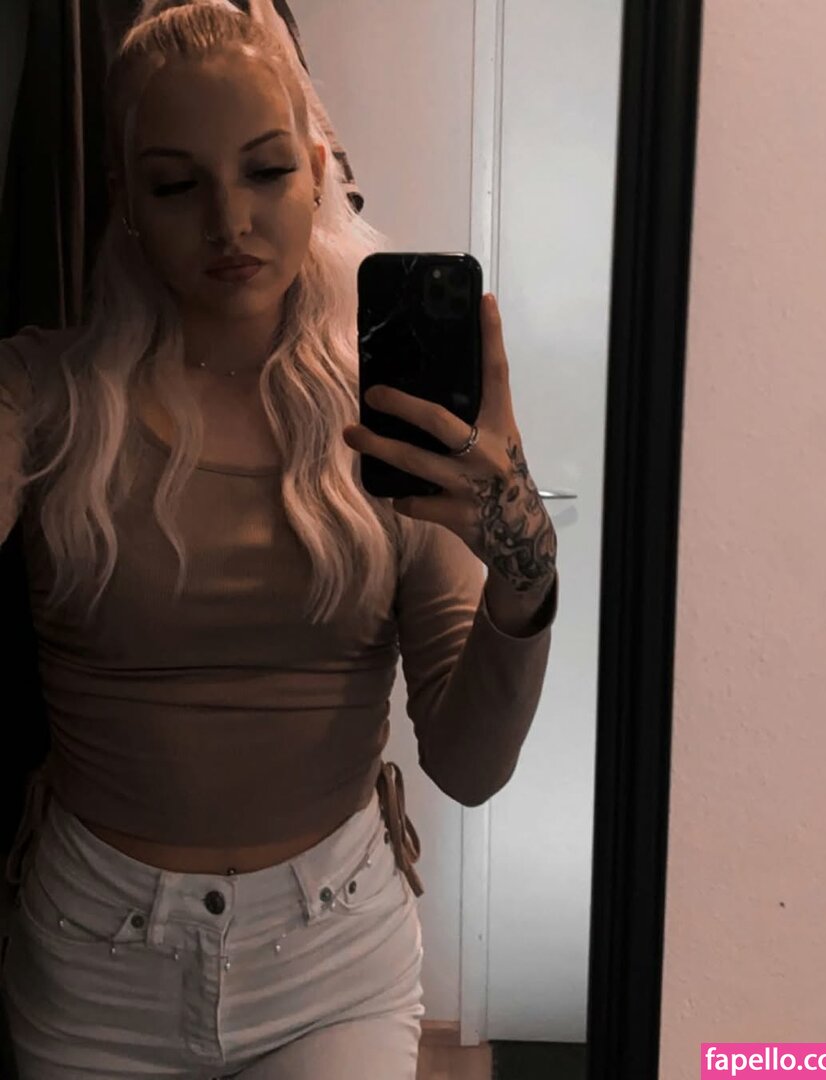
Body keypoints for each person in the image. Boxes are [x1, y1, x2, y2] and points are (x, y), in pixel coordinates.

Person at [0, 1, 558, 1076]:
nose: (230, 222)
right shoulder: (42, 394)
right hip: (92, 959)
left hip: (331, 959)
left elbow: (468, 763)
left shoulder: (386, 418)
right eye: (177, 185)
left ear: (315, 173)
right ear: (126, 202)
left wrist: (523, 564)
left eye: (264, 171)